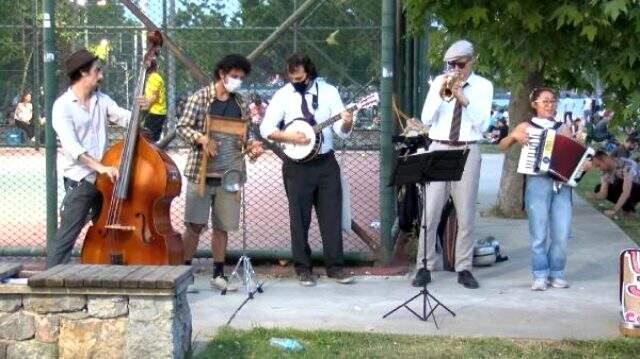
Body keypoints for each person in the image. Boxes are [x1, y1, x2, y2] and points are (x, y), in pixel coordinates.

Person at [260, 53, 354, 286]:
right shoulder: (283, 96)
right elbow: (266, 128)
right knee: (299, 219)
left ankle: (336, 267)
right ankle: (303, 268)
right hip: (296, 166)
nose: (297, 82)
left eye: (300, 78)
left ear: (310, 73)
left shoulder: (329, 92)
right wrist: (288, 136)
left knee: (331, 216)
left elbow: (342, 132)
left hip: (325, 163)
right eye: (292, 78)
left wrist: (348, 121)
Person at [48, 49, 149, 268]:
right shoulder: (62, 106)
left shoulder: (101, 100)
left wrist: (142, 110)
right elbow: (72, 147)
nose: (101, 75)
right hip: (81, 180)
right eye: (97, 71)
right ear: (83, 73)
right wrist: (101, 167)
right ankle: (48, 283)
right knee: (67, 236)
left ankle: (111, 275)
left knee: (110, 231)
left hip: (106, 180)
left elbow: (128, 120)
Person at [176, 54, 264, 292]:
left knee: (222, 226)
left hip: (230, 173)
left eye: (241, 78)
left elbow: (247, 133)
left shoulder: (240, 102)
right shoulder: (201, 98)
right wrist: (203, 138)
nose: (237, 81)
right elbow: (182, 127)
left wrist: (252, 145)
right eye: (234, 76)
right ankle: (184, 274)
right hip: (202, 172)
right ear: (221, 74)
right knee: (194, 225)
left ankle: (218, 274)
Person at [413, 40, 493, 289]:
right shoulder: (439, 82)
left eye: (460, 64)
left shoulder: (483, 86)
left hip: (468, 148)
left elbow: (484, 125)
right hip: (439, 146)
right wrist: (442, 94)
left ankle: (464, 268)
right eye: (451, 64)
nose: (455, 69)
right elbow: (426, 118)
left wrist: (463, 97)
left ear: (471, 61)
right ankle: (424, 266)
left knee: (466, 213)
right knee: (431, 211)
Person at [498, 87, 575, 291]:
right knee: (539, 232)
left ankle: (556, 273)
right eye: (545, 101)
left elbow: (575, 155)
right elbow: (502, 145)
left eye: (553, 101)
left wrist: (583, 163)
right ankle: (540, 274)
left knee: (561, 233)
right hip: (537, 182)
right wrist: (515, 137)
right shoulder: (526, 126)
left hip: (561, 184)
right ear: (535, 104)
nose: (550, 105)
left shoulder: (563, 128)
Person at [589, 150, 640, 218]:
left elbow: (626, 192)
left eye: (598, 165)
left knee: (618, 182)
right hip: (628, 189)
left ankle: (629, 210)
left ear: (605, 159)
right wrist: (594, 196)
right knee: (599, 187)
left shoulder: (626, 164)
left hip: (637, 189)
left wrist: (614, 210)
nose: (599, 169)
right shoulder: (605, 172)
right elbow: (603, 194)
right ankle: (624, 207)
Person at [142, 59, 167, 142]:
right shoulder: (152, 77)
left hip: (156, 113)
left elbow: (154, 96)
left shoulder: (154, 78)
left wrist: (144, 107)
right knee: (150, 138)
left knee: (147, 137)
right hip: (156, 112)